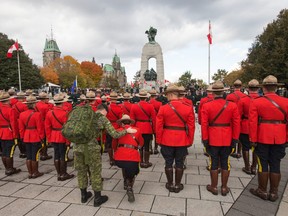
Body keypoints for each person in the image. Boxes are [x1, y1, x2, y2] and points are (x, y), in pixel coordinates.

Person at [73, 103, 136, 207]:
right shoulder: (101, 117)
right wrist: (126, 131)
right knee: (95, 172)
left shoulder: (85, 115)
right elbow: (114, 134)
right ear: (105, 111)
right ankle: (97, 198)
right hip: (91, 149)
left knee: (81, 171)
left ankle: (83, 196)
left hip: (77, 147)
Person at [249, 75, 288, 202]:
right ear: (276, 88)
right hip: (280, 136)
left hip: (263, 136)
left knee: (262, 164)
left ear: (264, 88)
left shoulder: (257, 102)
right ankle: (274, 193)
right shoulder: (286, 102)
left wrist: (253, 139)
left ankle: (262, 190)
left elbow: (253, 123)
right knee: (276, 164)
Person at [201, 80, 240, 196]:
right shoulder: (232, 106)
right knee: (225, 163)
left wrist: (205, 139)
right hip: (227, 137)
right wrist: (235, 139)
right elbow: (236, 124)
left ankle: (213, 187)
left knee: (213, 162)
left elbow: (204, 124)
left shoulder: (206, 106)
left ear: (213, 93)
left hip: (213, 137)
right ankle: (224, 187)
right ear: (223, 93)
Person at [156, 85, 195, 193]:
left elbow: (158, 126)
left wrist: (159, 140)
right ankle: (177, 185)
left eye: (167, 95)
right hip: (182, 139)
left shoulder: (163, 108)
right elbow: (191, 127)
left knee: (168, 162)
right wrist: (190, 140)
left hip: (166, 138)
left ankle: (170, 183)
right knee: (179, 163)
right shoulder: (187, 108)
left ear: (170, 94)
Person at [113, 114, 144, 202]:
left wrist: (116, 153)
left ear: (122, 124)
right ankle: (129, 187)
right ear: (130, 123)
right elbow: (141, 143)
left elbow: (114, 145)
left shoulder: (117, 131)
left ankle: (125, 182)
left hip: (119, 158)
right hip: (132, 157)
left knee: (124, 165)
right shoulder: (137, 130)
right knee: (132, 169)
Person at [45, 94, 74, 181]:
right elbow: (67, 128)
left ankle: (59, 174)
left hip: (53, 135)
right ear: (62, 103)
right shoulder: (65, 114)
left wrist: (49, 138)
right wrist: (68, 140)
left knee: (56, 155)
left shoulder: (49, 113)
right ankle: (63, 174)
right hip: (62, 136)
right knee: (63, 156)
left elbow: (47, 127)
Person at [19, 95, 44, 178]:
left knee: (29, 155)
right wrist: (42, 137)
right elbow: (40, 128)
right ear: (34, 104)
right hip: (35, 136)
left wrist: (22, 137)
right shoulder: (37, 114)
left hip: (26, 135)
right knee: (35, 155)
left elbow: (21, 128)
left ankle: (30, 172)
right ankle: (35, 172)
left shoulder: (22, 114)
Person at [238, 79, 259, 175]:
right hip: (259, 126)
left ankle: (247, 166)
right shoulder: (262, 99)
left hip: (245, 125)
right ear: (258, 88)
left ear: (248, 88)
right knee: (256, 148)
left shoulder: (243, 100)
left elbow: (238, 115)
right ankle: (254, 167)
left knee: (245, 147)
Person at [130, 90, 156, 168]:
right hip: (147, 128)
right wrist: (154, 129)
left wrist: (133, 129)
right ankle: (146, 162)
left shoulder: (134, 106)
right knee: (147, 145)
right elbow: (154, 119)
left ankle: (140, 161)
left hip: (138, 127)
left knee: (139, 145)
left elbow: (132, 119)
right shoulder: (150, 106)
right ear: (146, 97)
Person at [0, 91, 21, 176]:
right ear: (8, 100)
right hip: (8, 132)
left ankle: (7, 168)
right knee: (9, 152)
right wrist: (15, 135)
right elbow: (13, 123)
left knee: (4, 152)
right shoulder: (10, 110)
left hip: (1, 132)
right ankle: (10, 169)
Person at [226, 79, 247, 158]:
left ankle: (233, 149)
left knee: (233, 134)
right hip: (242, 118)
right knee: (241, 136)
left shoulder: (229, 96)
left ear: (233, 86)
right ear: (241, 87)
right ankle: (239, 151)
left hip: (232, 118)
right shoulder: (245, 96)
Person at [105, 92, 123, 166]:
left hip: (108, 126)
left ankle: (111, 159)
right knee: (116, 144)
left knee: (109, 144)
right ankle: (116, 158)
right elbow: (121, 119)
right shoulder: (119, 108)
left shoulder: (106, 108)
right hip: (117, 127)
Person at [35, 92, 53, 161]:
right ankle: (44, 154)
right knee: (45, 139)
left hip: (37, 123)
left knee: (40, 139)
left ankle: (41, 153)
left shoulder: (36, 105)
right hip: (44, 122)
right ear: (45, 99)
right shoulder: (46, 106)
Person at [12, 91, 28, 158]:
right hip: (24, 122)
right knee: (24, 136)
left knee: (19, 137)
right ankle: (25, 151)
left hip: (16, 122)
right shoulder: (25, 105)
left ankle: (22, 152)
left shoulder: (14, 105)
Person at [148, 89, 162, 154]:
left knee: (149, 135)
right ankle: (156, 148)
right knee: (156, 135)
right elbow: (161, 114)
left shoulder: (147, 103)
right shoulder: (159, 103)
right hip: (156, 120)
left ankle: (150, 148)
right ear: (155, 96)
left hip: (149, 121)